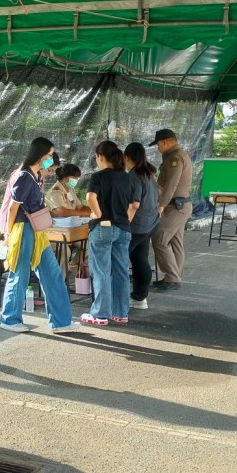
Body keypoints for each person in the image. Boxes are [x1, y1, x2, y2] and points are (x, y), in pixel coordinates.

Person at [0, 138, 75, 334]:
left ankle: (61, 321)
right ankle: (10, 318)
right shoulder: (23, 176)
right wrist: (7, 236)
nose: (51, 160)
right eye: (49, 156)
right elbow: (12, 209)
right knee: (20, 274)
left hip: (37, 231)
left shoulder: (36, 176)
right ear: (41, 155)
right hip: (22, 230)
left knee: (53, 273)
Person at [81, 141, 140, 325]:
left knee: (101, 271)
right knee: (121, 271)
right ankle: (121, 312)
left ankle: (99, 314)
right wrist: (125, 220)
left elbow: (90, 197)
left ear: (100, 157)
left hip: (103, 228)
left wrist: (97, 214)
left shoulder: (98, 177)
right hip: (124, 229)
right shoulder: (128, 177)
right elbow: (133, 205)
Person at [149, 128, 192, 291]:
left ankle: (172, 277)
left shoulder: (175, 158)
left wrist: (161, 205)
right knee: (175, 241)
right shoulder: (176, 155)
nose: (158, 148)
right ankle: (174, 275)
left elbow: (171, 185)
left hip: (175, 205)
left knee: (159, 238)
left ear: (165, 142)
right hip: (179, 205)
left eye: (158, 144)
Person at [123, 143, 159, 309]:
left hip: (135, 226)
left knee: (120, 261)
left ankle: (119, 299)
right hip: (149, 224)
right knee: (140, 260)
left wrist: (124, 223)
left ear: (127, 157)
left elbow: (134, 204)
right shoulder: (149, 173)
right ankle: (140, 298)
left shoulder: (134, 175)